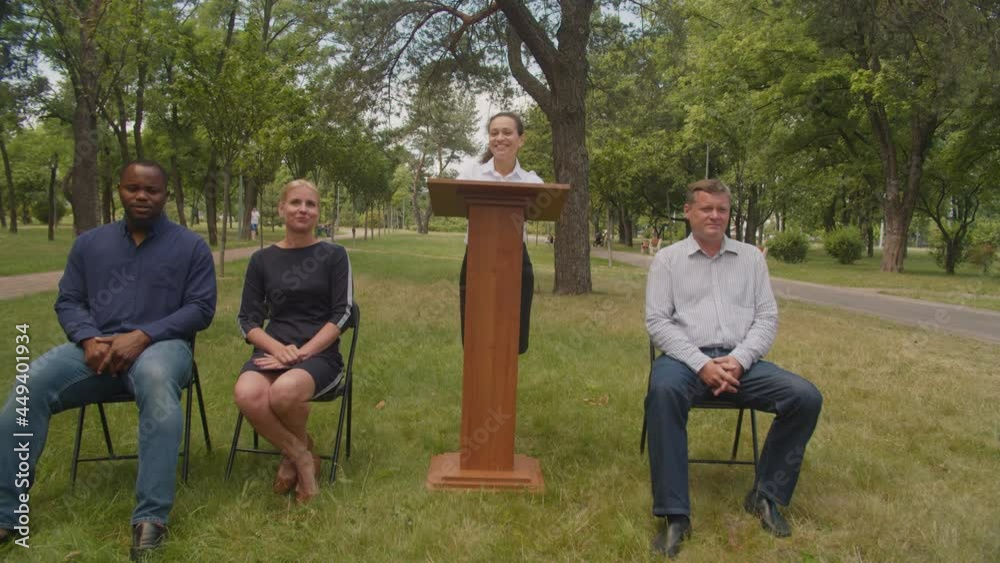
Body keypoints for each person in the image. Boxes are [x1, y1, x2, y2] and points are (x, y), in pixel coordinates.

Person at [0, 160, 216, 560]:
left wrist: (144, 335)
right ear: (119, 190)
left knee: (155, 378)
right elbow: (69, 300)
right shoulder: (90, 244)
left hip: (163, 347)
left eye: (152, 190)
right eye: (133, 188)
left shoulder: (191, 247)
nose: (142, 196)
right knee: (30, 384)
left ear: (165, 195)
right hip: (96, 350)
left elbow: (201, 308)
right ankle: (6, 514)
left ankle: (151, 518)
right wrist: (86, 338)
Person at [644, 179, 822, 558]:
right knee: (663, 392)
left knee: (805, 397)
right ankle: (676, 515)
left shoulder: (751, 258)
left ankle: (765, 495)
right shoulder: (668, 260)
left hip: (741, 362)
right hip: (684, 360)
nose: (715, 215)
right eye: (706, 208)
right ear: (688, 212)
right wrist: (701, 364)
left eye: (721, 209)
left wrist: (740, 360)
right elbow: (658, 322)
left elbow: (767, 318)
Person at [234, 179, 353, 504]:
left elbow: (342, 314)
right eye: (295, 202)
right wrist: (277, 349)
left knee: (284, 392)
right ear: (281, 209)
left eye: (310, 204)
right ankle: (301, 454)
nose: (303, 209)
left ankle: (294, 461)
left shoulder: (333, 255)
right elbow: (247, 320)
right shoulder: (262, 260)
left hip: (319, 355)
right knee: (247, 394)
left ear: (318, 212)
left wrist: (301, 354)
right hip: (273, 351)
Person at [458, 111, 542, 354]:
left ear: (521, 139)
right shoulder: (471, 175)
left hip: (516, 261)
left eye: (507, 132)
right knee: (476, 335)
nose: (500, 138)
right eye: (494, 133)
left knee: (512, 338)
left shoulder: (532, 182)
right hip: (476, 260)